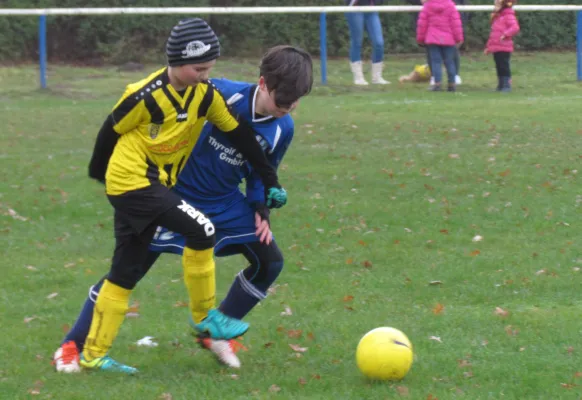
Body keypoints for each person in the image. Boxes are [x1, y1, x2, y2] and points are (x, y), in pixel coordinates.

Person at [53, 45, 313, 373]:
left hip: (226, 203)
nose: (289, 109)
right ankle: (72, 345)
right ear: (263, 83)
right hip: (174, 198)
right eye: (283, 101)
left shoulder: (283, 127)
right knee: (126, 273)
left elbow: (264, 170)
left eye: (296, 103)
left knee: (269, 261)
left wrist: (261, 206)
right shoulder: (215, 93)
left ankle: (216, 334)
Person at [416, 0, 464, 92]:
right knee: (450, 62)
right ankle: (452, 83)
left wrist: (420, 38)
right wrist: (458, 38)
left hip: (432, 38)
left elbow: (422, 24)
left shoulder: (427, 6)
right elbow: (456, 24)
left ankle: (437, 83)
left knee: (436, 62)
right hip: (449, 39)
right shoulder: (451, 5)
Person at [345, 0, 390, 85]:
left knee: (379, 43)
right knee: (357, 42)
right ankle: (358, 77)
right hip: (355, 8)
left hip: (371, 8)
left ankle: (377, 77)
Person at [484, 0, 520, 92]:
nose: (495, 6)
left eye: (497, 5)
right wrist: (489, 47)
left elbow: (515, 27)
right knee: (499, 66)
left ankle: (506, 85)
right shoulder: (497, 17)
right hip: (497, 47)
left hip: (504, 46)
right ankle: (501, 84)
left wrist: (505, 34)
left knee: (504, 66)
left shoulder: (508, 16)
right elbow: (493, 34)